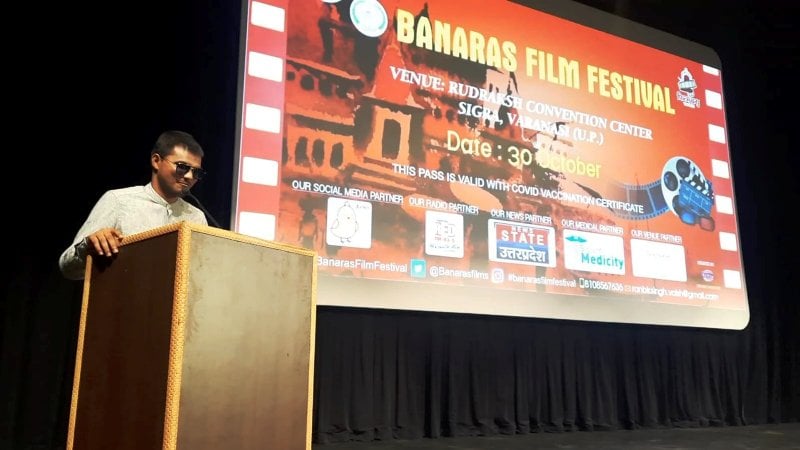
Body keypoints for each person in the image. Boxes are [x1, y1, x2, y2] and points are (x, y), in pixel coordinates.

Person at [59, 130, 209, 280]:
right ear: (156, 161)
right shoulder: (118, 201)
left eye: (196, 172)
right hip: (119, 301)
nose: (189, 176)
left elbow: (202, 275)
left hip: (176, 303)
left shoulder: (196, 217)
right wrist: (88, 246)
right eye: (182, 166)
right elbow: (68, 267)